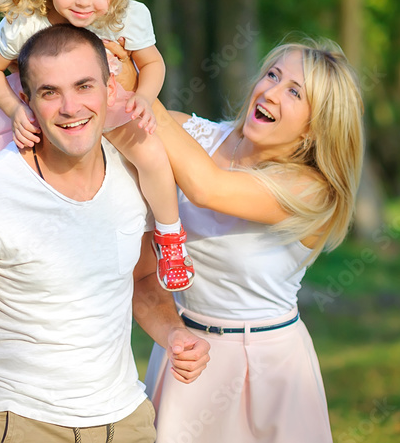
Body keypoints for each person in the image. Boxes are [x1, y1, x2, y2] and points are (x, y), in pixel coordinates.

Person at [0, 25, 211, 443]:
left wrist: (175, 333)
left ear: (111, 88)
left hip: (127, 420)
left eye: (84, 85)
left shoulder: (136, 175)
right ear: (26, 100)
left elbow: (144, 281)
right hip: (23, 423)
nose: (70, 107)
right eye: (50, 92)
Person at [112, 37, 363, 442]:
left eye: (294, 92)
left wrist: (139, 90)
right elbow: (144, 279)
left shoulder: (310, 189)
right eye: (272, 75)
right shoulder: (194, 135)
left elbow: (207, 188)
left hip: (269, 370)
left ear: (316, 129)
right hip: (188, 356)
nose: (270, 91)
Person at [0, 0, 193, 291]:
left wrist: (144, 99)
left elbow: (153, 63)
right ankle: (20, 252)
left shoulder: (125, 16)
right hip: (45, 108)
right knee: (23, 170)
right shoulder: (27, 21)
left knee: (150, 154)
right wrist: (15, 109)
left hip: (111, 101)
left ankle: (169, 235)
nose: (85, 2)